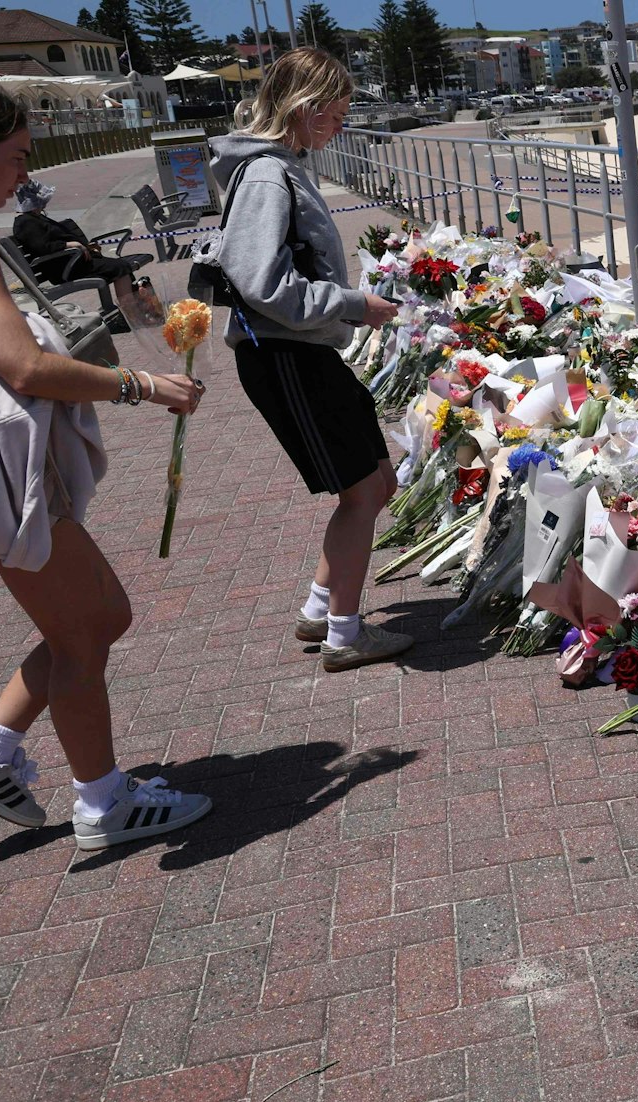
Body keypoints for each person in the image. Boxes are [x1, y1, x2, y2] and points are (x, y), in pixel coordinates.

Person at [0, 75, 212, 849]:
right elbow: (22, 366)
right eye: (14, 157)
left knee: (101, 616)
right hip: (1, 472)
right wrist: (140, 383)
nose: (26, 173)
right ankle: (103, 803)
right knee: (84, 637)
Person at [212, 48, 406, 673]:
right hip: (285, 353)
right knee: (359, 493)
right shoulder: (269, 174)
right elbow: (260, 282)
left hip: (304, 348)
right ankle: (345, 635)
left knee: (378, 480)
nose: (341, 127)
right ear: (304, 108)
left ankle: (322, 606)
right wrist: (353, 304)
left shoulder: (281, 166)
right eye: (335, 114)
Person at [10, 178, 143, 318]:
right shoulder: (26, 222)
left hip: (71, 262)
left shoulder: (34, 218)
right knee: (120, 267)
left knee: (120, 266)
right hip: (64, 269)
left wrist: (85, 247)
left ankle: (132, 311)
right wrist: (70, 245)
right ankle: (133, 315)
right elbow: (42, 247)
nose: (44, 204)